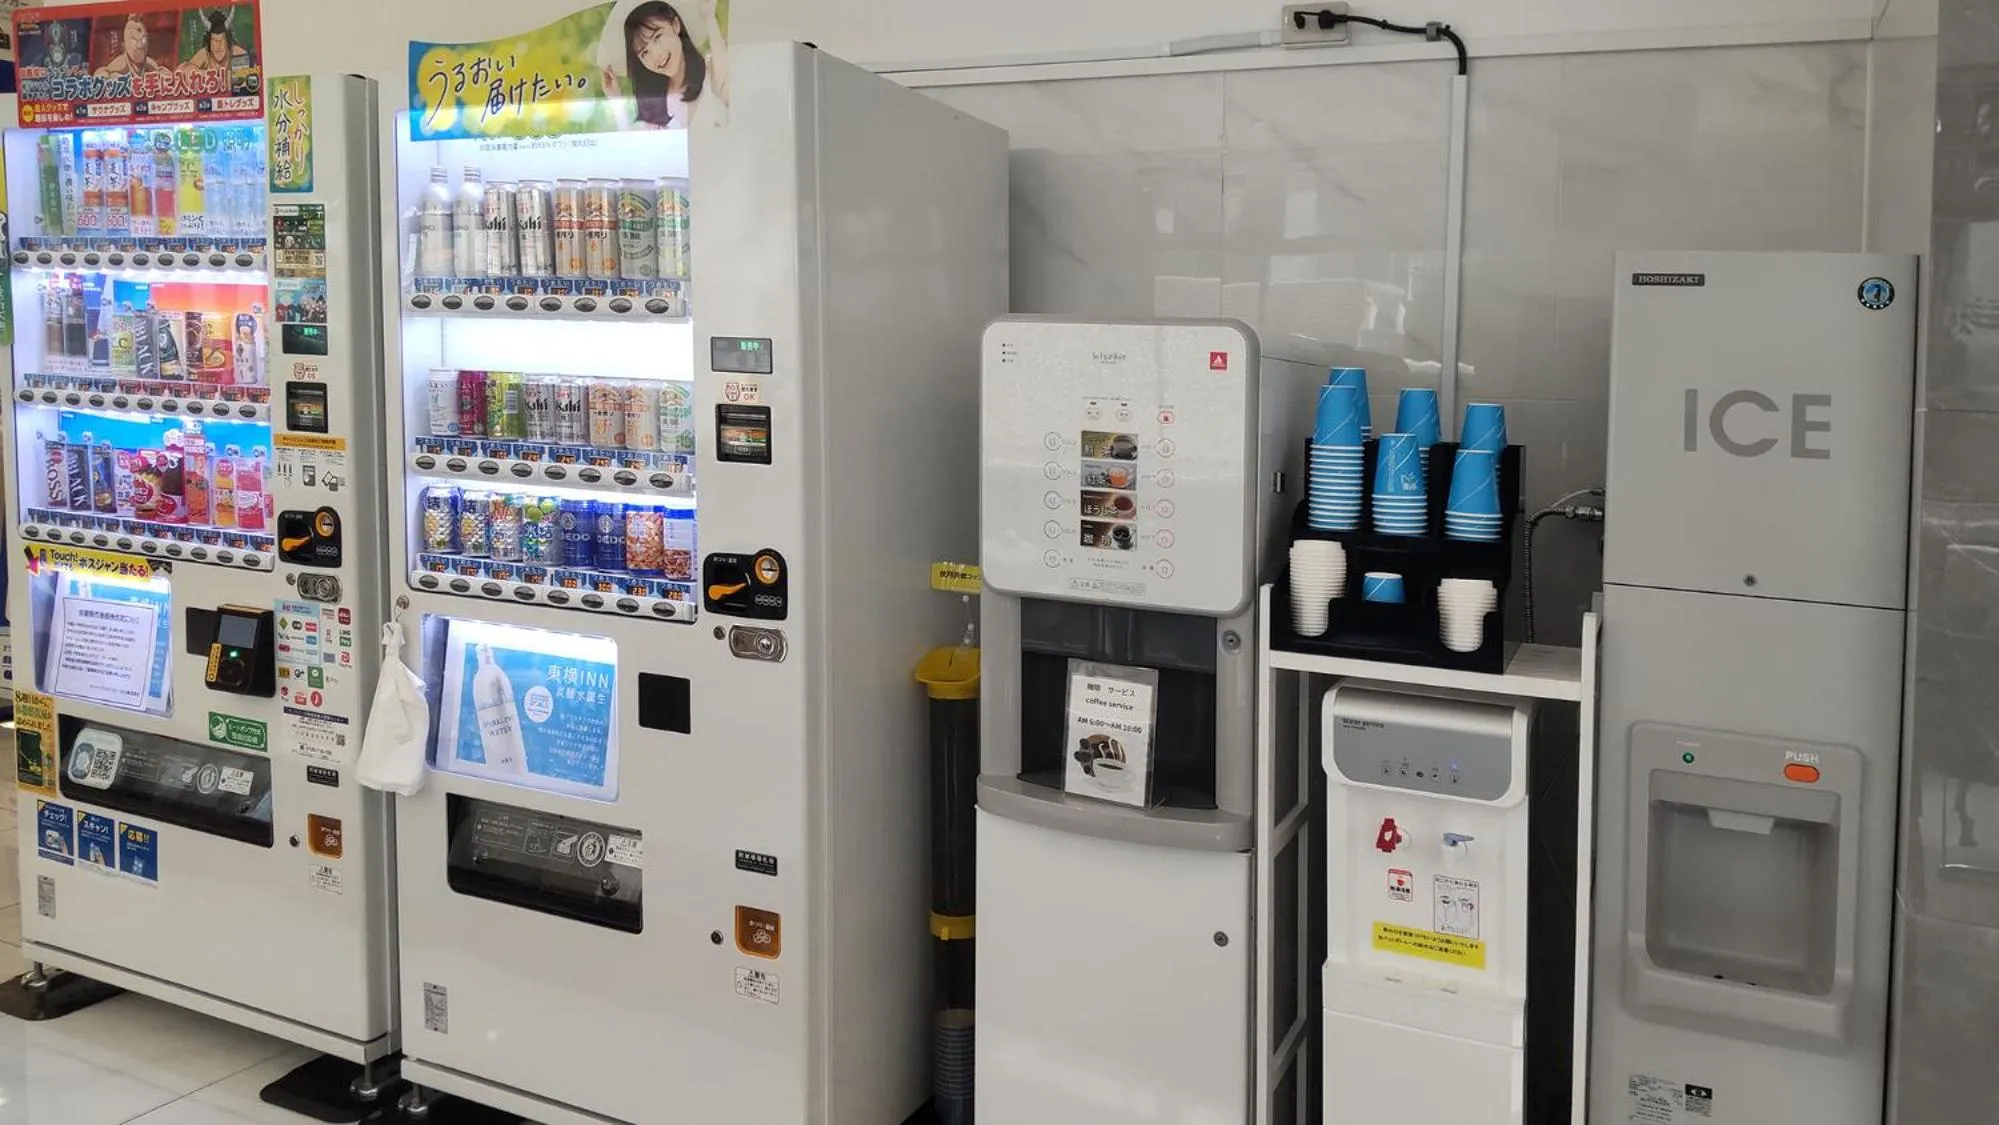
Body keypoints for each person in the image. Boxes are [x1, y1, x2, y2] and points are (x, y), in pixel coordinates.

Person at [603, 0, 729, 129]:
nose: (656, 55)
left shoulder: (710, 72)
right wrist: (615, 98)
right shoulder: (656, 106)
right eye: (644, 52)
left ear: (675, 25)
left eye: (657, 37)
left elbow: (723, 72)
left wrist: (709, 17)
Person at [95, 13, 164, 78]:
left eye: (143, 40)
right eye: (134, 40)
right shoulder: (116, 68)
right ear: (124, 45)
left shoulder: (152, 66)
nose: (140, 46)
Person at [178, 11, 245, 78]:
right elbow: (185, 70)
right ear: (209, 43)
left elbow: (246, 75)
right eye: (214, 40)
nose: (218, 46)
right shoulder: (205, 53)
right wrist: (209, 74)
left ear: (228, 42)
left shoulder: (236, 53)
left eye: (222, 40)